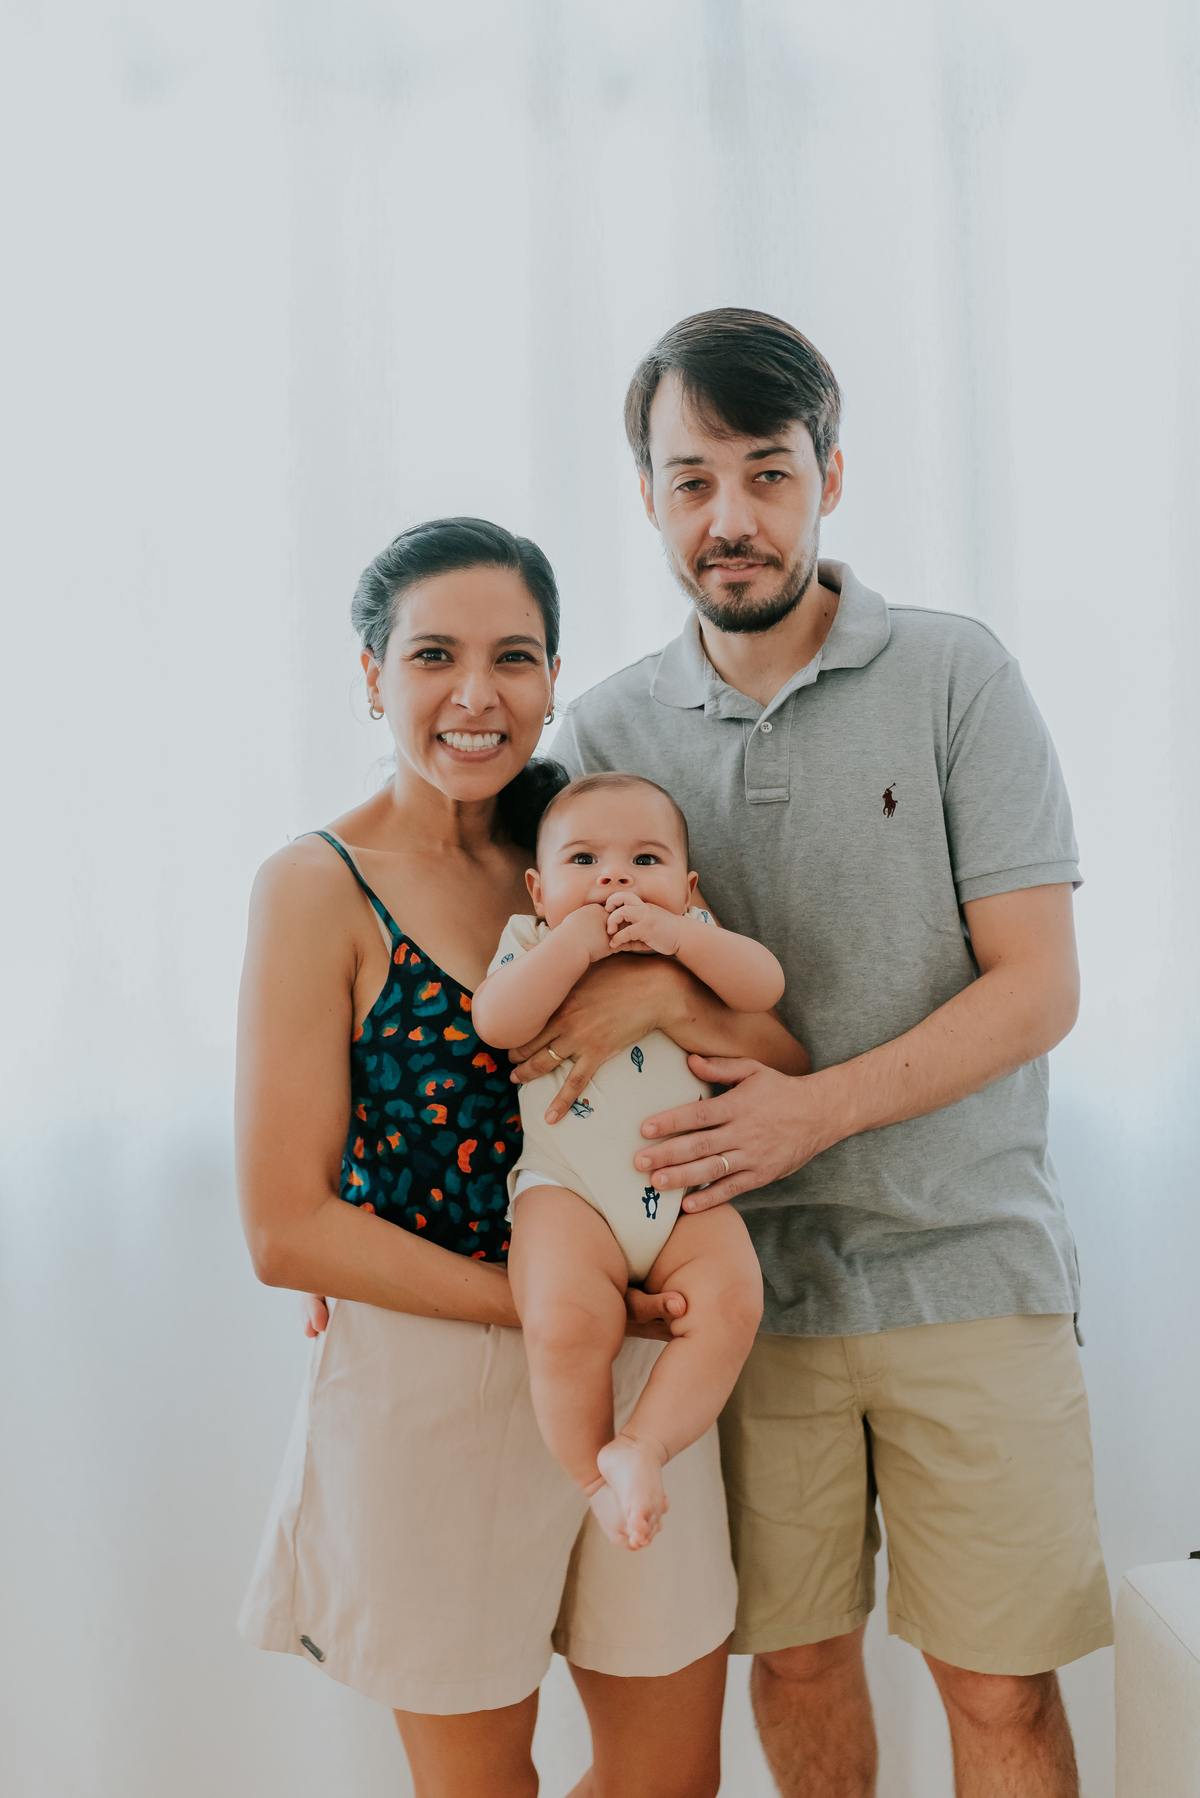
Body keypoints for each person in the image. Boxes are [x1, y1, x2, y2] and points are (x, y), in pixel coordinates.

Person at [518, 310, 1113, 1798]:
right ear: (647, 497)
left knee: (1000, 1691)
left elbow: (1037, 988)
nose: (732, 517)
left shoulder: (957, 676)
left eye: (768, 472)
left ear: (831, 477)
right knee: (792, 1664)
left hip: (964, 1262)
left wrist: (811, 1112)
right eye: (692, 478)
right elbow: (536, 1008)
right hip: (729, 1300)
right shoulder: (604, 733)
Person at [234, 514, 807, 1798]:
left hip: (647, 1372)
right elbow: (282, 1227)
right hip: (441, 1376)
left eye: (518, 657)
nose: (477, 695)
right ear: (371, 672)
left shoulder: (587, 845)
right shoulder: (317, 884)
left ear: (556, 679)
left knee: (672, 1779)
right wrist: (560, 1313)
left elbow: (777, 1039)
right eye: (434, 654)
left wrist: (653, 997)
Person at [472, 771, 778, 1551]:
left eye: (645, 860)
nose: (614, 878)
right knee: (565, 1323)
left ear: (686, 884)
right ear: (539, 890)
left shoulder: (693, 938)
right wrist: (572, 943)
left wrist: (682, 938)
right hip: (567, 1190)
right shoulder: (533, 943)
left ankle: (642, 1444)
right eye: (584, 860)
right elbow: (499, 1021)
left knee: (734, 1299)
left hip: (684, 1195)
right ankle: (592, 1477)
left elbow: (763, 986)